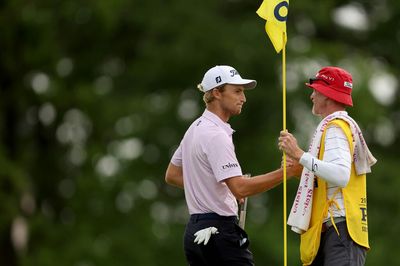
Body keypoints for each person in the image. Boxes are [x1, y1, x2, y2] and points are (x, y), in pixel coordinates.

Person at [165, 65, 296, 266]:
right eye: (237, 91)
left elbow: (172, 175)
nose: (243, 98)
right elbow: (240, 188)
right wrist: (287, 172)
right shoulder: (216, 135)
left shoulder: (194, 129)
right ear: (216, 93)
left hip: (194, 233)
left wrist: (216, 188)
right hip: (219, 232)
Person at [278, 66, 377, 266]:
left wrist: (299, 154)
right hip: (336, 228)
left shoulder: (334, 128)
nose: (312, 96)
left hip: (339, 228)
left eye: (315, 90)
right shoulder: (339, 125)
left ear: (326, 95)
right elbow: (332, 178)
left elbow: (341, 175)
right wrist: (302, 170)